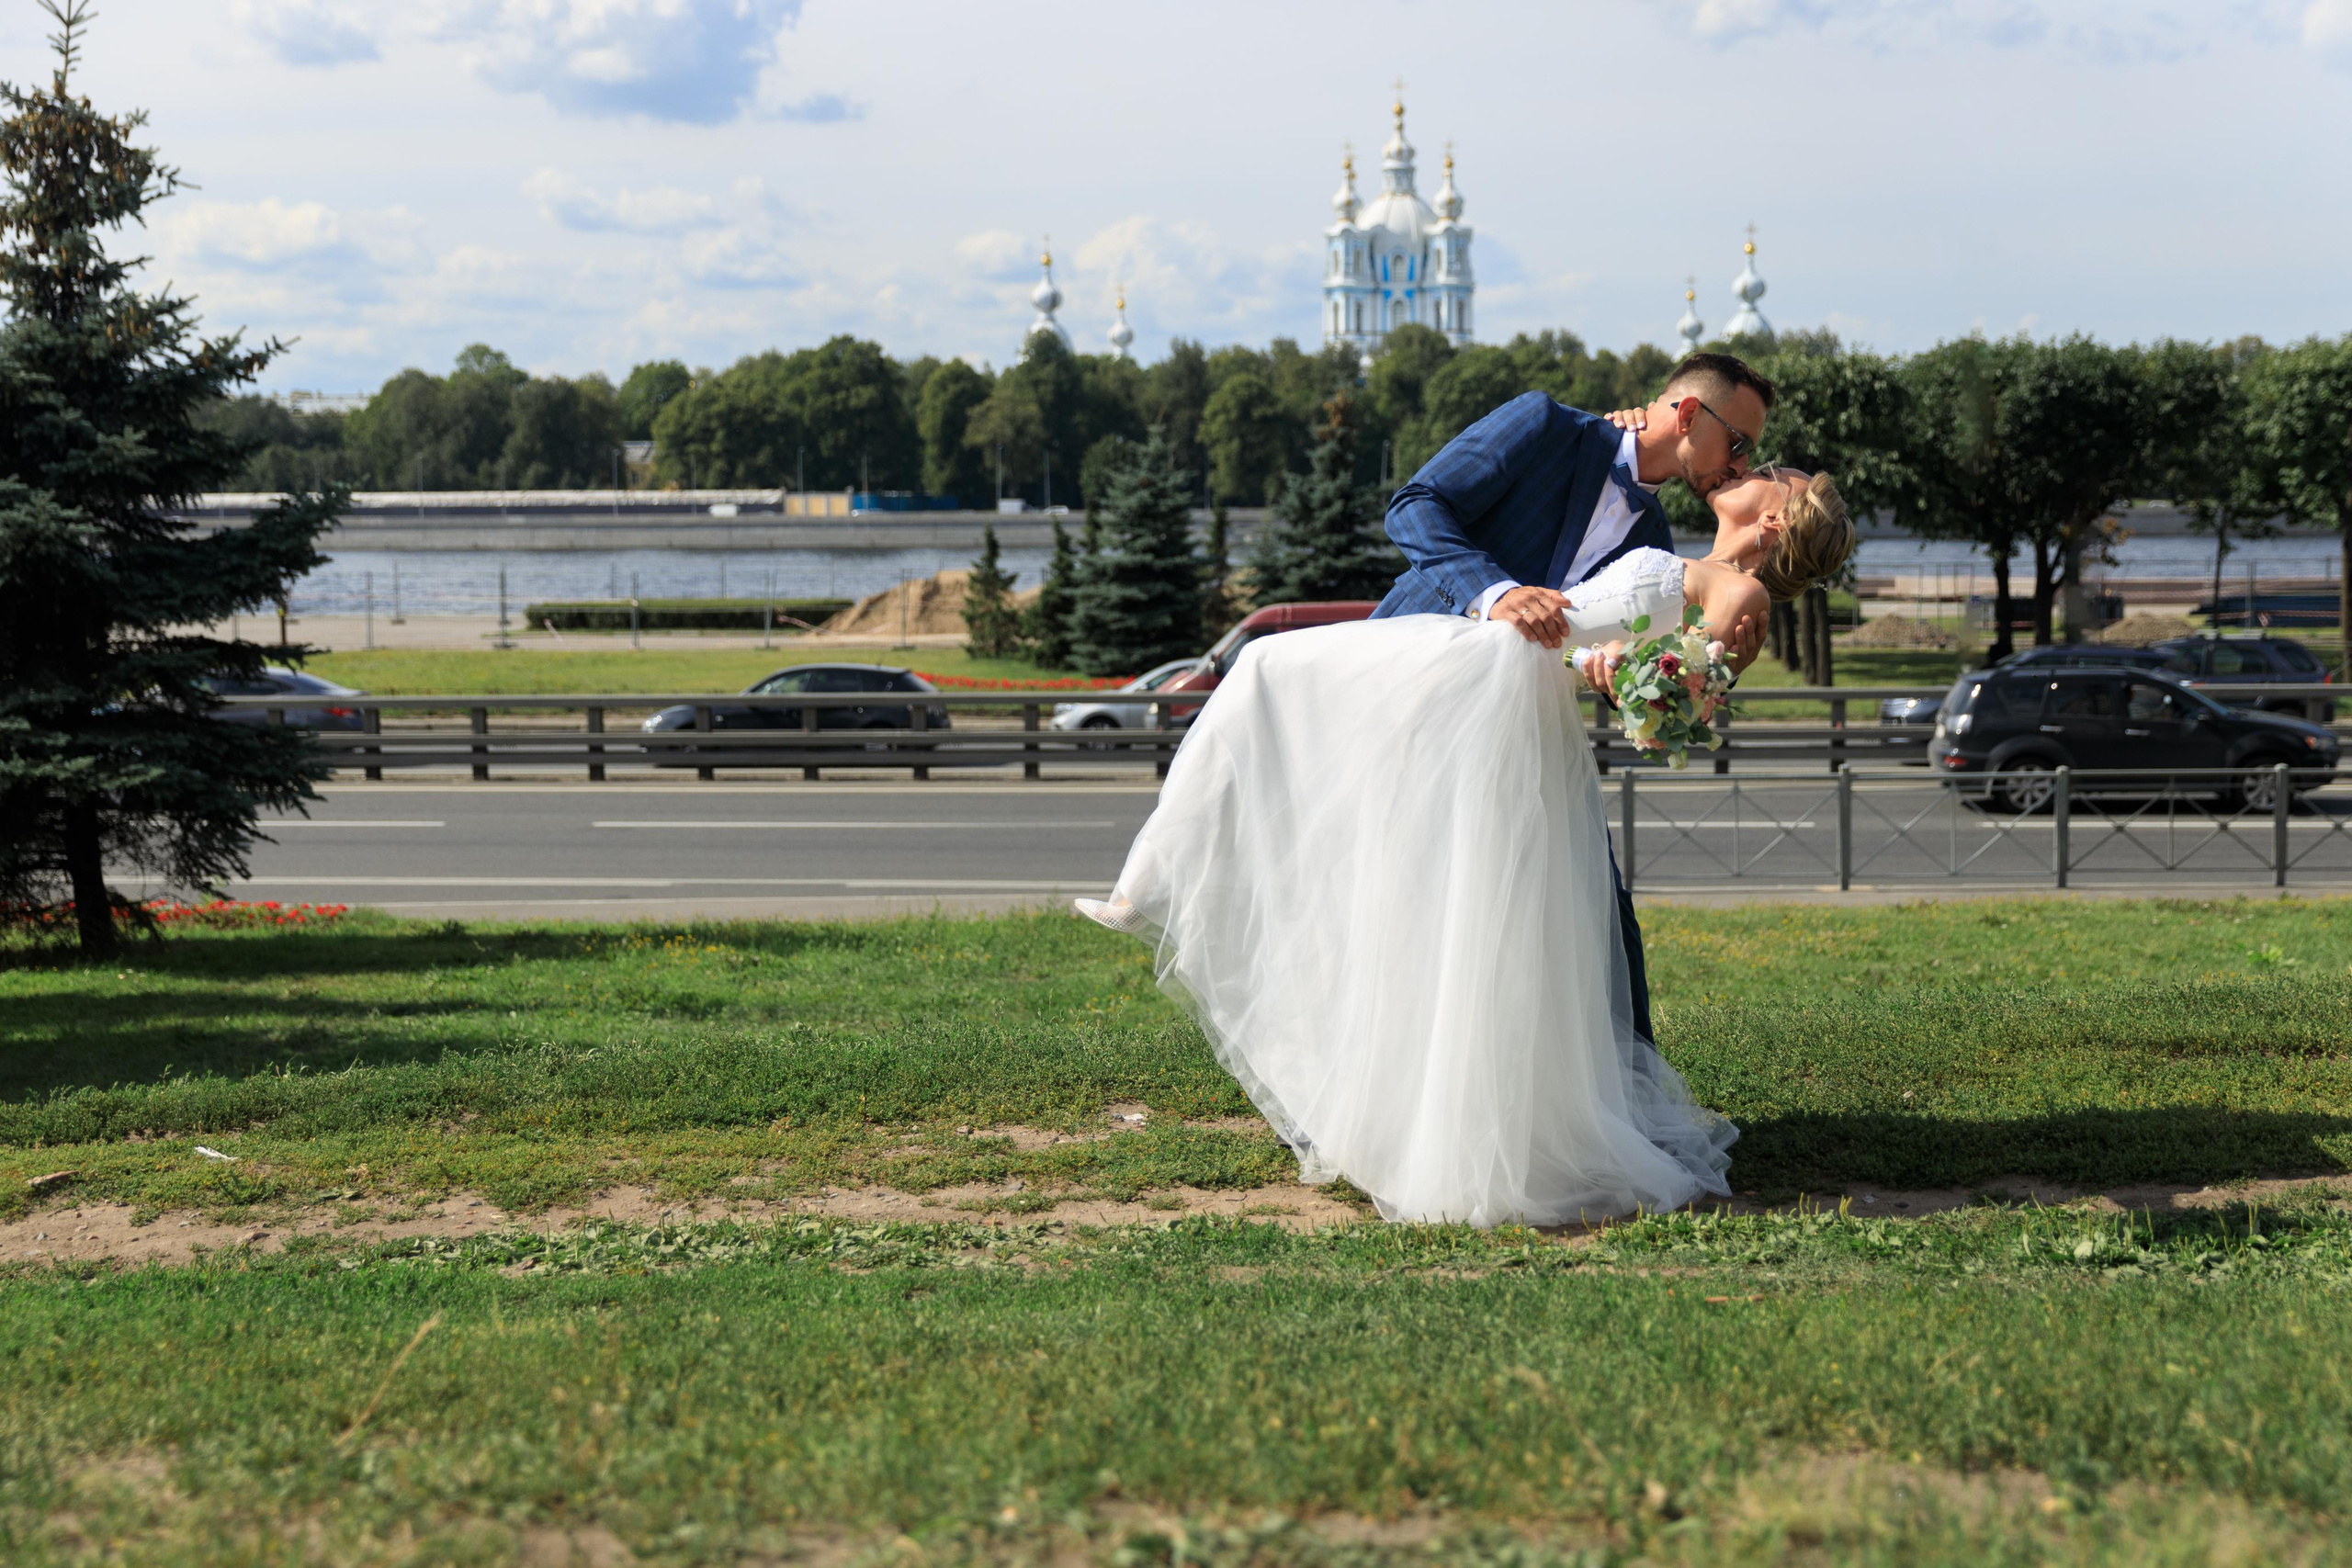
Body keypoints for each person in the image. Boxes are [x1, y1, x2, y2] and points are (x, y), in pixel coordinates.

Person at [1075, 463, 1855, 1225]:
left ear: (1778, 516)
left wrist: (1654, 682)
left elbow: (1666, 716)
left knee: (1271, 671)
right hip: (1502, 661)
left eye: (1775, 470)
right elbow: (1605, 646)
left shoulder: (1737, 594)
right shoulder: (1695, 562)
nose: (1755, 466)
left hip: (1500, 680)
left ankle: (1153, 879)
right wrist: (1606, 662)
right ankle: (1160, 878)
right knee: (1298, 714)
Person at [1374, 353, 1778, 1046]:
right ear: (1687, 414)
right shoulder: (1545, 425)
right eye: (1738, 444)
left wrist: (1615, 675)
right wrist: (1495, 592)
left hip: (1514, 737)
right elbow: (1415, 506)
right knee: (1382, 898)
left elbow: (1584, 642)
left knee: (1594, 911)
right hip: (1407, 686)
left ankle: (1627, 1093)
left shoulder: (1655, 544)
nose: (1741, 466)